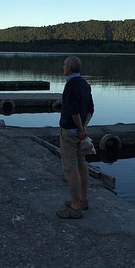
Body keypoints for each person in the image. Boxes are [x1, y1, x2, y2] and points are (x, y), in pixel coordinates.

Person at [56, 55, 94, 219]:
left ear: (70, 68)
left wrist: (79, 129)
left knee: (72, 169)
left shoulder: (70, 86)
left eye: (64, 65)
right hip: (79, 133)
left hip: (70, 133)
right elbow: (91, 108)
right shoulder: (85, 84)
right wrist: (84, 128)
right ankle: (83, 200)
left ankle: (75, 207)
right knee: (81, 165)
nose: (63, 67)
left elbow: (74, 111)